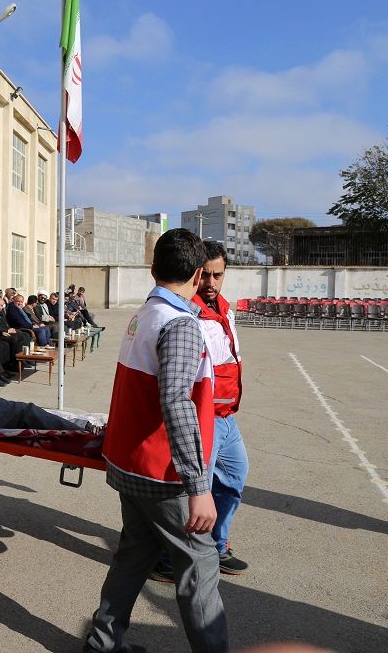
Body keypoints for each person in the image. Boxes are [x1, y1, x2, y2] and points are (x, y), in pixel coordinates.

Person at [83, 228, 227, 653]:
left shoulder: (145, 313)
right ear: (200, 274)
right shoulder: (180, 324)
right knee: (199, 568)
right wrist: (199, 486)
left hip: (129, 463)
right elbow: (177, 404)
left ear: (153, 270)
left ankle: (103, 643)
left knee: (134, 556)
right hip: (161, 472)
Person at [152, 240, 250, 581]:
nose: (211, 283)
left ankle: (216, 545)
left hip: (227, 417)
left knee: (234, 479)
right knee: (195, 492)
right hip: (203, 418)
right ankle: (170, 559)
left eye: (218, 275)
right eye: (205, 275)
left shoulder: (225, 308)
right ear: (195, 273)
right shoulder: (184, 314)